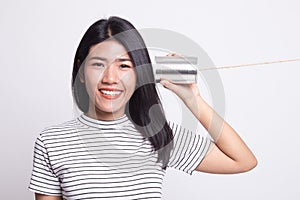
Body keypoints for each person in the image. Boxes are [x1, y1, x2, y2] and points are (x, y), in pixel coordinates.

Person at [28, 16, 257, 200]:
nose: (110, 78)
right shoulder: (52, 142)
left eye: (124, 66)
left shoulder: (159, 135)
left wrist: (193, 98)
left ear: (139, 74)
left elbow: (242, 160)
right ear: (80, 71)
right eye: (98, 64)